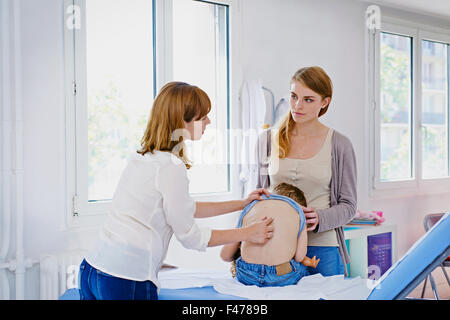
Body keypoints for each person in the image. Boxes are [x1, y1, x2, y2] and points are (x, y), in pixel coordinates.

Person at [78, 81, 274, 300]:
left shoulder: (143, 158)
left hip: (92, 269)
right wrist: (248, 233)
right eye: (202, 118)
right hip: (125, 277)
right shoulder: (171, 167)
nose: (209, 121)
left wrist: (242, 203)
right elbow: (191, 237)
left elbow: (183, 208)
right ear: (182, 121)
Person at [256, 66, 357, 277]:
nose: (297, 105)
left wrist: (320, 218)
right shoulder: (267, 140)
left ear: (325, 102)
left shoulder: (339, 144)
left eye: (308, 99)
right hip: (275, 245)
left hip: (323, 248)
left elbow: (349, 206)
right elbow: (258, 194)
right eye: (293, 96)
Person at [220, 183, 320, 287]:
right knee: (302, 268)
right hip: (281, 276)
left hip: (247, 274)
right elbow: (299, 257)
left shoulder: (250, 210)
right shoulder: (299, 214)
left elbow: (225, 256)